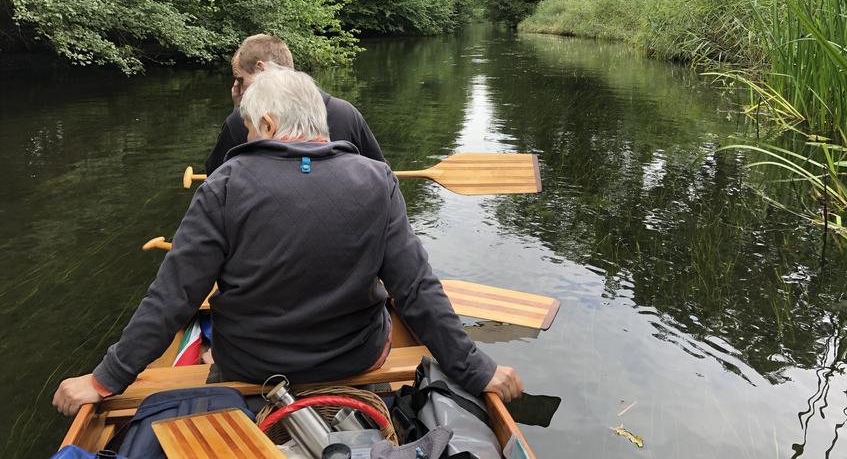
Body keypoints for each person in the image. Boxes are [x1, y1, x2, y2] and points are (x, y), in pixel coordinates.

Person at [53, 67, 523, 416]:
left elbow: (175, 298)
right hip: (355, 356)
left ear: (271, 125)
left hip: (252, 365)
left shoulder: (223, 185)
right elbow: (417, 291)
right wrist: (477, 369)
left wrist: (105, 380)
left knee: (210, 344)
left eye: (251, 126)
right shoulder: (377, 179)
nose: (248, 137)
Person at [204, 33, 384, 174]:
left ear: (261, 69)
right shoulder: (345, 112)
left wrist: (239, 112)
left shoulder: (241, 121)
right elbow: (381, 170)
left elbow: (214, 178)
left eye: (241, 80)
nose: (239, 90)